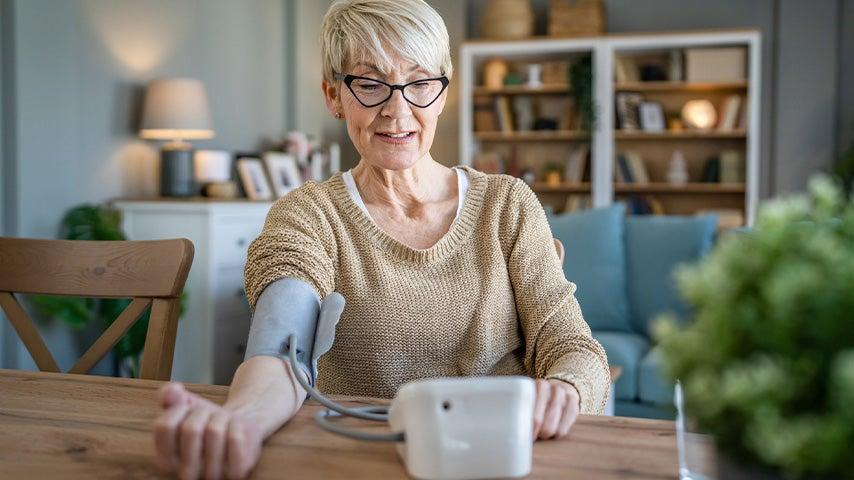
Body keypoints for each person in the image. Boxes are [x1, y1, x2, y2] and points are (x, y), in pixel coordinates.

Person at [152, 1, 610, 478]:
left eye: (420, 83)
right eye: (370, 85)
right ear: (333, 95)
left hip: (496, 457)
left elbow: (573, 346)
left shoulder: (508, 204)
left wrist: (565, 388)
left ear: (443, 92)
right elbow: (281, 351)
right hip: (359, 461)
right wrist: (243, 419)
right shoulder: (309, 214)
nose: (397, 111)